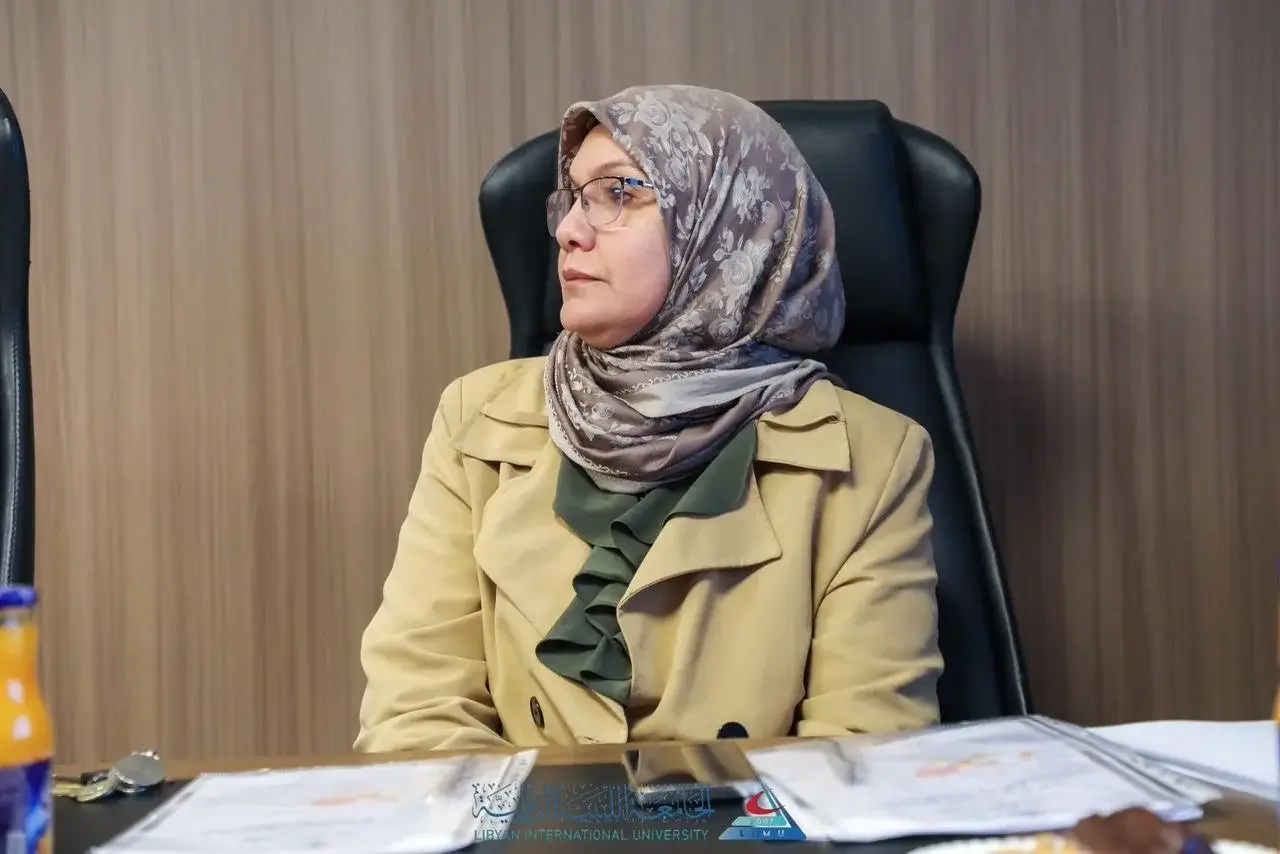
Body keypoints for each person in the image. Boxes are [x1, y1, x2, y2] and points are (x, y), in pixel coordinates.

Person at [354, 84, 942, 752]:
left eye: (617, 194)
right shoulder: (476, 419)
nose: (569, 231)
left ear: (725, 228)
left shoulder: (876, 456)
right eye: (573, 198)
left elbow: (861, 757)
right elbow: (416, 714)